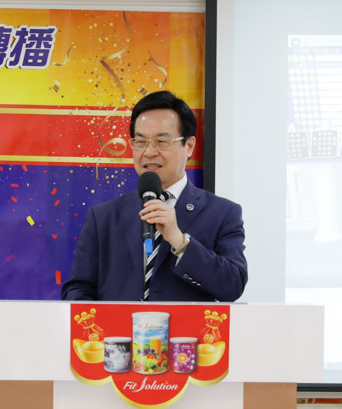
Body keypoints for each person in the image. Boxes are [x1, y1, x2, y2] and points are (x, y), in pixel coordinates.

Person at [61, 91, 247, 302]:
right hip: (117, 325)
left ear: (189, 146)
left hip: (184, 326)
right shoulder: (103, 216)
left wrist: (180, 241)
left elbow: (232, 287)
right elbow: (77, 290)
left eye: (161, 141)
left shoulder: (222, 213)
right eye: (141, 142)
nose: (149, 152)